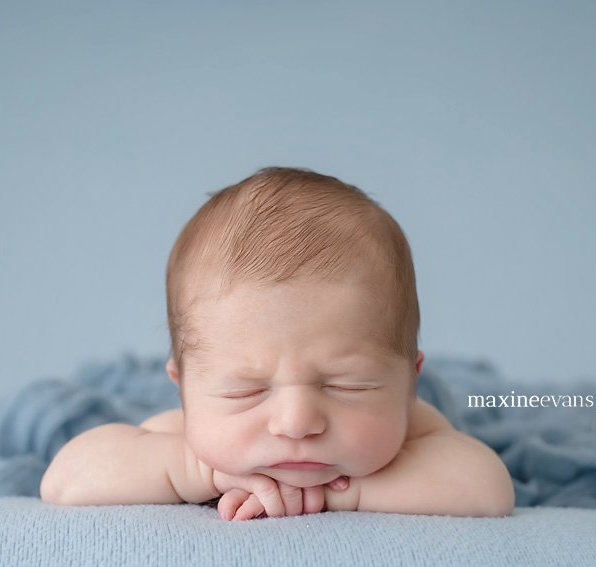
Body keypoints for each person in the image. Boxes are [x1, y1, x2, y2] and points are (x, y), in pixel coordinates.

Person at [40, 166, 515, 521]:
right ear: (183, 386)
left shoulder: (414, 428)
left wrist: (343, 493)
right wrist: (200, 472)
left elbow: (486, 489)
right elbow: (64, 481)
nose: (296, 423)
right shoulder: (184, 438)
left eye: (347, 385)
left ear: (410, 381)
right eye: (244, 390)